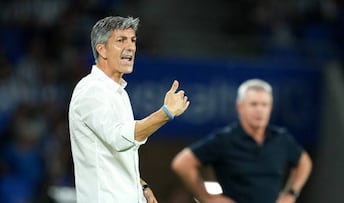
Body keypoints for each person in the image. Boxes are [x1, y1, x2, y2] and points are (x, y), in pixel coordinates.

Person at [68, 16, 190, 203]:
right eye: (121, 41)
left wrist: (140, 186)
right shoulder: (91, 91)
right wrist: (166, 113)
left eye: (133, 40)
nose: (131, 47)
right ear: (102, 50)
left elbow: (114, 155)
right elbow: (120, 139)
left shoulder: (118, 93)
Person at [171, 79, 312, 203]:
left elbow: (304, 162)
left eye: (264, 105)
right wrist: (206, 197)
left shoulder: (281, 139)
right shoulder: (225, 140)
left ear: (271, 108)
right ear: (240, 107)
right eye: (254, 104)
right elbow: (182, 163)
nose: (260, 110)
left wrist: (291, 194)